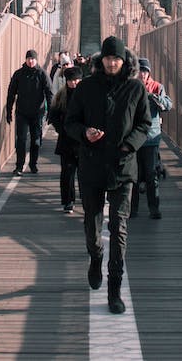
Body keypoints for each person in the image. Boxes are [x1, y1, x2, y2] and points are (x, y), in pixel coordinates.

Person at [65, 35, 150, 315]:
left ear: (124, 61)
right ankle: (95, 256)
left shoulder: (136, 89)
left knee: (119, 227)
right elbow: (70, 122)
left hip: (123, 167)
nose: (112, 63)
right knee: (92, 223)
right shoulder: (86, 87)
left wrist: (129, 144)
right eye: (108, 58)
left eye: (117, 58)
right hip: (91, 165)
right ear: (100, 60)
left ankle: (115, 290)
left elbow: (144, 124)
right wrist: (84, 133)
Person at [129, 57, 172, 220]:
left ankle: (154, 209)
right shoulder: (131, 86)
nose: (142, 74)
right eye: (140, 71)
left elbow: (168, 105)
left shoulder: (157, 87)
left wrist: (157, 99)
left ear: (149, 72)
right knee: (134, 175)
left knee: (151, 174)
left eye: (145, 71)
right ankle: (133, 209)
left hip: (151, 137)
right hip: (134, 138)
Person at [5, 49, 53, 175]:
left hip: (37, 113)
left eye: (33, 59)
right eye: (29, 58)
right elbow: (11, 93)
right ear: (25, 59)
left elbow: (49, 93)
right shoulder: (19, 74)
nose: (31, 61)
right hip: (22, 112)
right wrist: (8, 111)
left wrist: (50, 112)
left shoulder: (42, 74)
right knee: (21, 139)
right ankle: (19, 166)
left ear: (36, 60)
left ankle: (33, 164)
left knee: (36, 140)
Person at [47, 65, 83, 212]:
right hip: (67, 140)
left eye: (77, 80)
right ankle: (68, 201)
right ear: (66, 81)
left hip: (83, 140)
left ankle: (87, 198)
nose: (74, 83)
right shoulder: (61, 96)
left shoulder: (86, 95)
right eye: (71, 80)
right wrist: (61, 129)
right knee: (67, 173)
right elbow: (53, 116)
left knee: (84, 173)